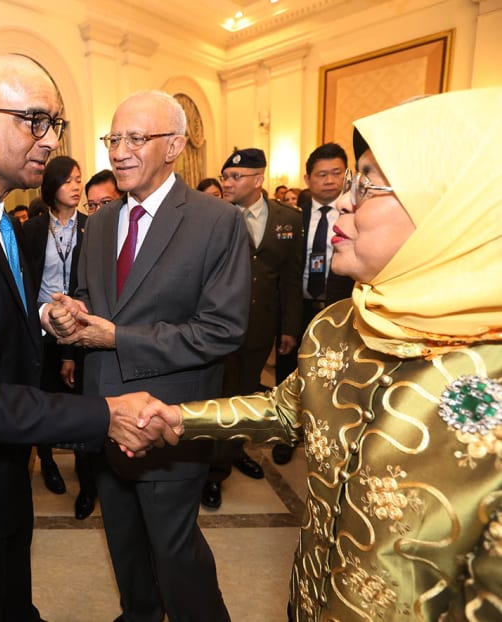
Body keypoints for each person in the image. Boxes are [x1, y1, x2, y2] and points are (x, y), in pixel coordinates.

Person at [140, 87, 502, 621]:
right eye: (352, 180)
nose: (347, 201)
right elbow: (285, 409)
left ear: (453, 210)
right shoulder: (338, 324)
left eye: (369, 183)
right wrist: (175, 417)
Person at [0, 54, 180, 622]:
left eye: (56, 124)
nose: (48, 140)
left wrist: (43, 316)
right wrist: (104, 415)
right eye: (33, 121)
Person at [49, 90, 251, 622]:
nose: (119, 151)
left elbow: (222, 330)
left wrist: (119, 338)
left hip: (168, 418)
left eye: (136, 138)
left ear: (175, 146)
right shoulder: (100, 222)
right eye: (114, 138)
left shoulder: (216, 221)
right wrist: (71, 316)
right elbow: (95, 302)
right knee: (124, 547)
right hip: (103, 415)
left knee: (175, 553)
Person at [201, 148, 304, 509]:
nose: (227, 183)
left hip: (260, 328)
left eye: (235, 177)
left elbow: (290, 280)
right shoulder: (213, 217)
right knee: (219, 398)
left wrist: (288, 328)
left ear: (258, 179)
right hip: (219, 327)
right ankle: (214, 472)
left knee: (245, 396)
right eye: (225, 176)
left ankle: (233, 452)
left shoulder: (287, 219)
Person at [23, 155, 97, 519]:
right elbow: (23, 283)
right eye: (68, 180)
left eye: (78, 179)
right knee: (44, 399)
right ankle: (48, 461)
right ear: (51, 186)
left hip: (82, 326)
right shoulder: (33, 230)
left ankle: (88, 482)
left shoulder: (92, 227)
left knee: (81, 403)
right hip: (40, 327)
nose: (76, 186)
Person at [272, 142, 354, 466]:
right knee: (289, 372)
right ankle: (286, 434)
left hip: (339, 306)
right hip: (298, 307)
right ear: (308, 178)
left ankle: (328, 440)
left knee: (333, 375)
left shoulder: (355, 213)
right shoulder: (291, 216)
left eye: (336, 173)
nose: (329, 180)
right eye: (322, 174)